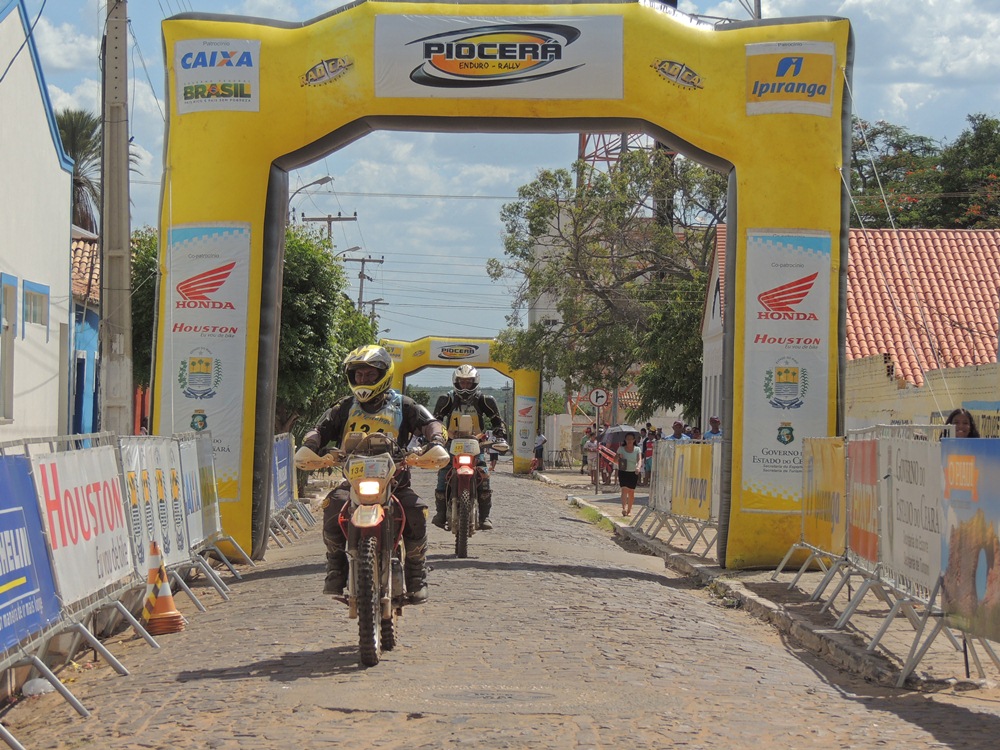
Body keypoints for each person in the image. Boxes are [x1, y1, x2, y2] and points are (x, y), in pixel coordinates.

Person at [302, 345, 445, 603]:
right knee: (332, 506)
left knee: (416, 511)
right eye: (359, 375)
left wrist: (436, 441)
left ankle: (416, 574)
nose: (364, 380)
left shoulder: (404, 405)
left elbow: (430, 422)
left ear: (384, 375)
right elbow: (319, 428)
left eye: (370, 375)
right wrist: (310, 445)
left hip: (395, 482)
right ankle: (335, 567)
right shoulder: (344, 407)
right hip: (353, 483)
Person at [432, 365, 507, 530]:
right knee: (443, 472)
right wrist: (434, 438)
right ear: (456, 382)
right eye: (462, 382)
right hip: (451, 442)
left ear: (475, 383)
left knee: (484, 474)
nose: (465, 386)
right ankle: (441, 512)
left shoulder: (485, 400)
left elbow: (497, 421)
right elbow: (435, 421)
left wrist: (500, 435)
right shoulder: (447, 399)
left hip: (476, 443)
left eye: (468, 382)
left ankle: (485, 516)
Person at [616, 432, 642, 517]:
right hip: (623, 471)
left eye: (631, 439)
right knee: (624, 489)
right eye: (628, 439)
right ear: (625, 440)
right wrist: (619, 456)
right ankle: (623, 508)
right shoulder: (621, 449)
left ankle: (629, 510)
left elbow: (639, 460)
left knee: (631, 492)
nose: (629, 441)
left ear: (634, 440)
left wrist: (638, 467)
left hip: (633, 472)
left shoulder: (637, 449)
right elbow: (615, 459)